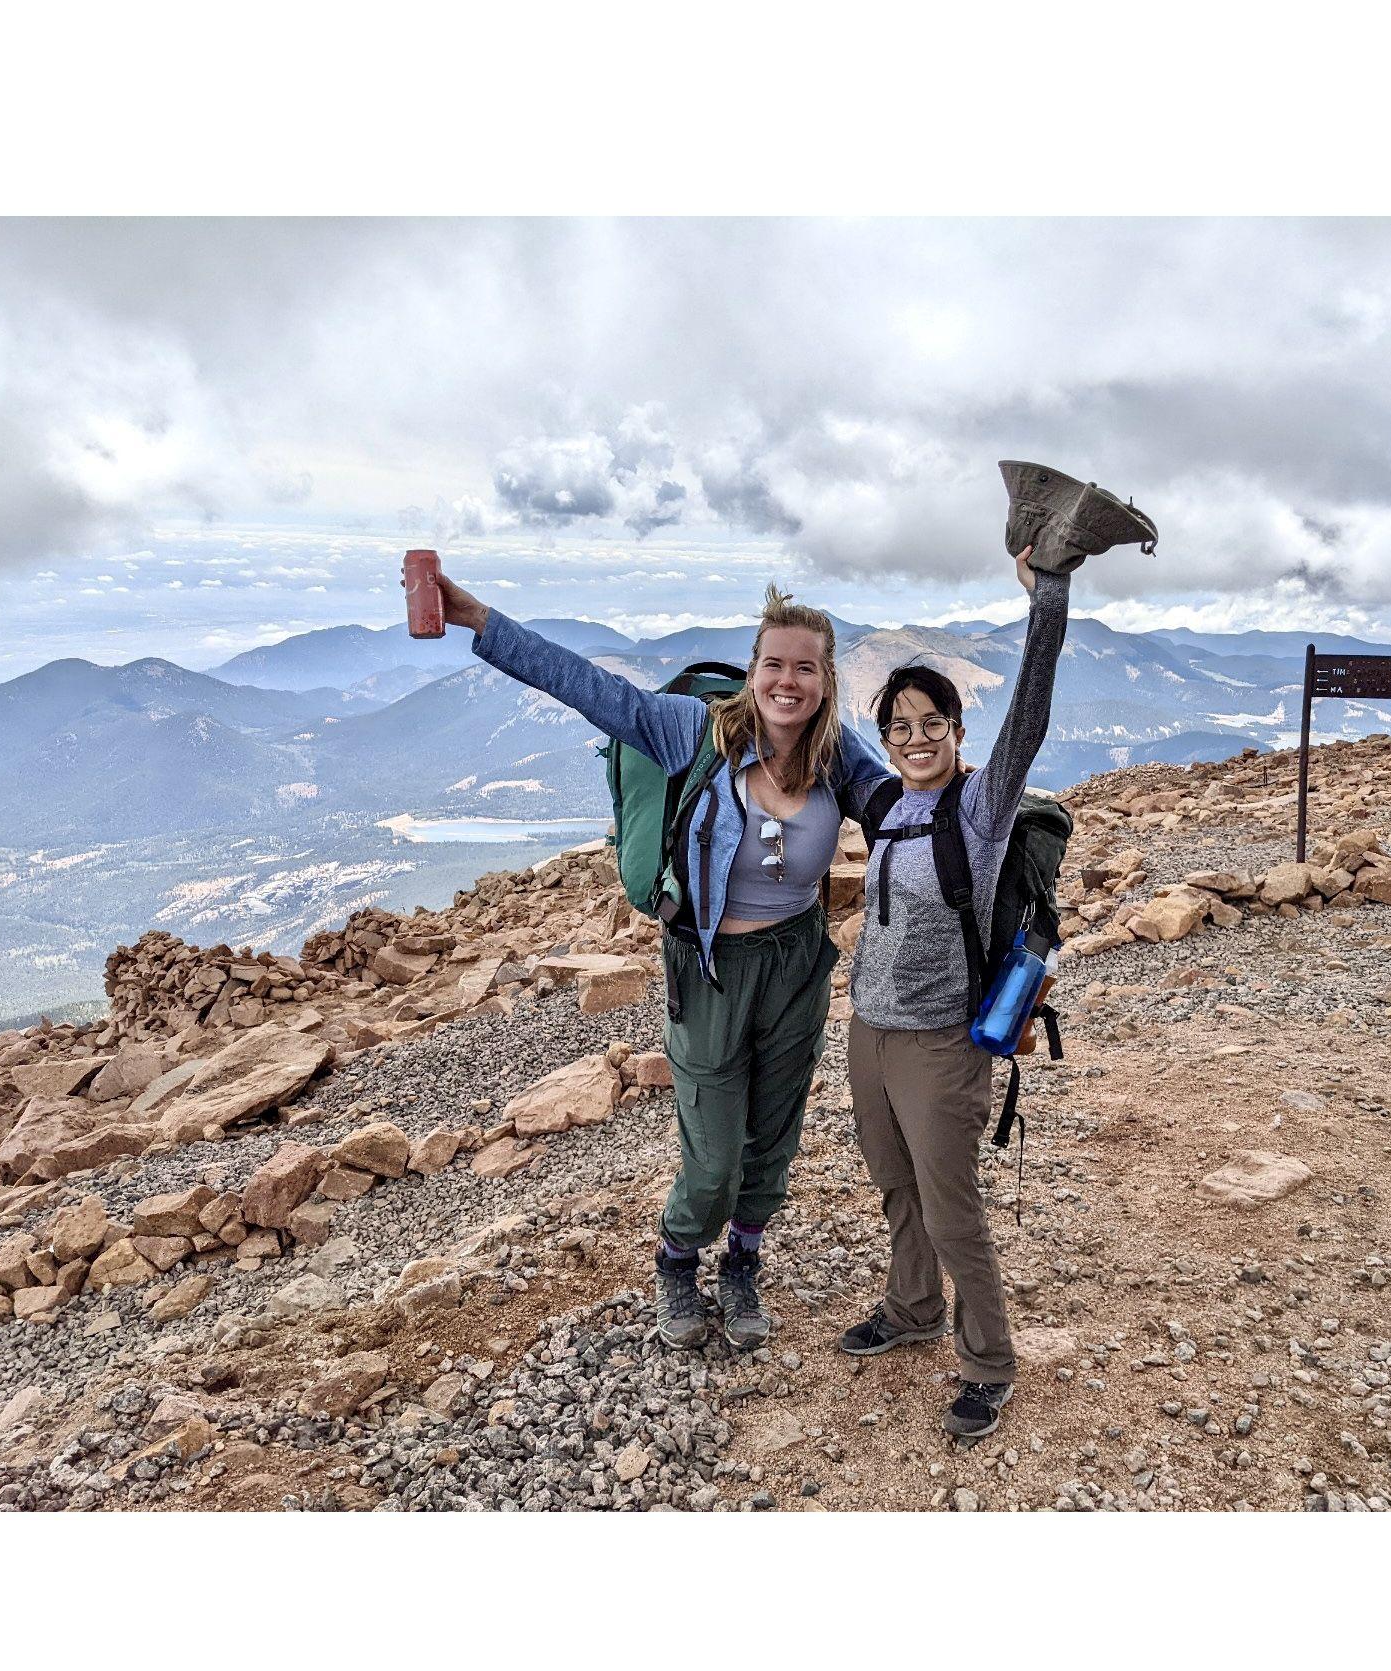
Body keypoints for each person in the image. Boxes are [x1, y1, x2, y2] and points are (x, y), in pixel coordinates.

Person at [432, 571, 892, 1351]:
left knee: (773, 1138)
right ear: (754, 670)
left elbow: (901, 809)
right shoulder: (694, 732)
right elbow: (588, 687)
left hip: (797, 964)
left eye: (806, 667)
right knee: (712, 1156)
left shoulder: (836, 754)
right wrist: (478, 618)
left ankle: (742, 1260)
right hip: (709, 969)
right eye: (775, 664)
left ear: (826, 680)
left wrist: (984, 814)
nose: (789, 680)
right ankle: (678, 1259)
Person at [838, 546, 1068, 1439]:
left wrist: (1047, 597)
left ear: (957, 731)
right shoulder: (884, 802)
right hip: (870, 1036)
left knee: (951, 1208)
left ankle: (988, 1362)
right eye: (899, 724)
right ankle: (911, 1309)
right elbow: (819, 734)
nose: (915, 737)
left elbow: (1032, 719)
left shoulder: (979, 810)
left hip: (941, 1044)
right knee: (897, 1188)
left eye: (932, 721)